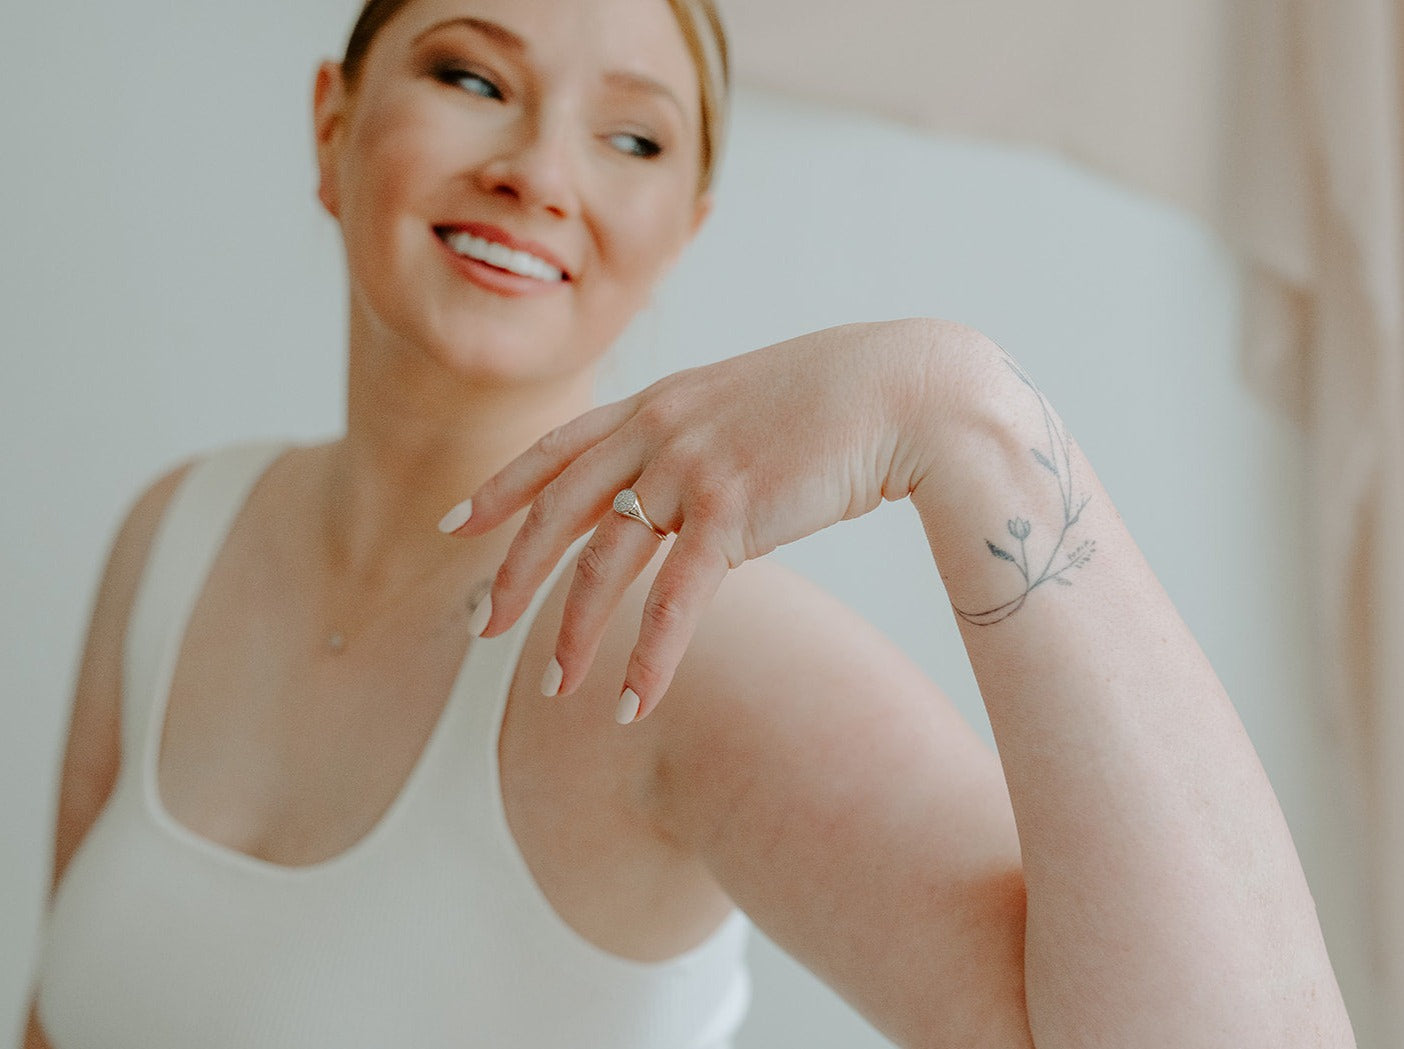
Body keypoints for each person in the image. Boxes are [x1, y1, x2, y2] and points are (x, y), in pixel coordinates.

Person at [25, 0, 1356, 1045]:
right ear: (332, 124)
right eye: (472, 78)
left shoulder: (675, 646)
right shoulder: (176, 532)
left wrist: (963, 417)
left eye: (634, 137)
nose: (540, 173)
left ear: (685, 229)